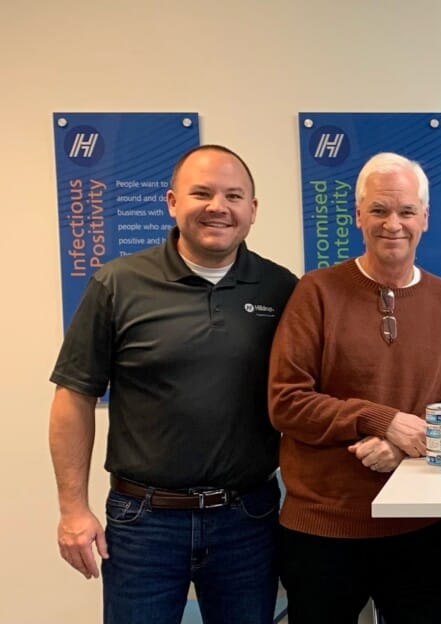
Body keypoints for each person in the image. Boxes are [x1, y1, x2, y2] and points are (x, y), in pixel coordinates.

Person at [48, 145, 298, 624]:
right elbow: (73, 396)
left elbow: (305, 393)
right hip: (143, 521)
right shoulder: (117, 284)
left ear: (252, 211)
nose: (217, 207)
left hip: (247, 518)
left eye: (233, 195)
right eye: (201, 192)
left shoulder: (280, 288)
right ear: (171, 202)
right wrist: (72, 510)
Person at [267, 152, 441, 624]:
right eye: (380, 210)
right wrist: (380, 420)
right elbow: (286, 402)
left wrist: (406, 448)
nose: (393, 224)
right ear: (359, 215)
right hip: (323, 528)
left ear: (425, 217)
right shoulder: (315, 292)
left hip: (418, 524)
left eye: (406, 211)